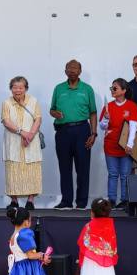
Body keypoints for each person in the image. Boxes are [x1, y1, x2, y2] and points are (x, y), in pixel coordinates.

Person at [50, 59, 97, 210]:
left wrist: (94, 133)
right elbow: (52, 109)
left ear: (80, 71)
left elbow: (93, 113)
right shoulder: (58, 89)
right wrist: (55, 113)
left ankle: (82, 202)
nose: (71, 70)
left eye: (75, 68)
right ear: (65, 71)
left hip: (82, 130)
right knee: (65, 167)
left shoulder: (87, 89)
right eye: (69, 68)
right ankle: (66, 201)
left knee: (83, 168)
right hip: (63, 131)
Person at [2, 76, 44, 211]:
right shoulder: (6, 103)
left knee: (32, 169)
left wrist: (30, 135)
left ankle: (30, 200)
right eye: (14, 87)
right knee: (13, 169)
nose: (17, 90)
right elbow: (6, 121)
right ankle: (14, 201)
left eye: (20, 87)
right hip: (13, 141)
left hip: (31, 141)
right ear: (11, 89)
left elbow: (38, 119)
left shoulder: (33, 101)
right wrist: (22, 133)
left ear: (26, 88)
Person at [98, 79, 137, 209]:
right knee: (113, 174)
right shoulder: (108, 106)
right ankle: (111, 200)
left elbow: (133, 127)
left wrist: (130, 144)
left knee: (125, 174)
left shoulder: (132, 106)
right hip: (110, 146)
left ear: (124, 90)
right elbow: (102, 127)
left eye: (115, 88)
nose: (112, 91)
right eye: (112, 88)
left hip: (125, 147)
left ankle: (124, 200)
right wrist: (106, 117)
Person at [77, 198, 118, 275]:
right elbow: (112, 248)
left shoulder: (88, 227)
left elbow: (82, 246)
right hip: (106, 264)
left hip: (89, 264)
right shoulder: (110, 227)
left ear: (92, 212)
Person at [6, 207, 51, 275]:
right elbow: (30, 255)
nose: (30, 223)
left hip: (18, 268)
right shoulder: (24, 234)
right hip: (28, 269)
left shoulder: (13, 236)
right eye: (30, 220)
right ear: (25, 222)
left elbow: (23, 254)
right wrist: (42, 255)